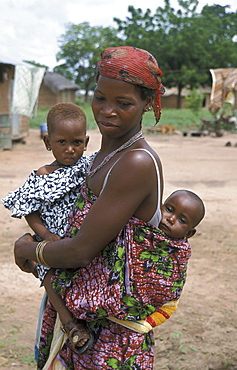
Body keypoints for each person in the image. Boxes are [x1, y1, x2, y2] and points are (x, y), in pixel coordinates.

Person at [14, 46, 192, 370]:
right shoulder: (98, 157)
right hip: (82, 321)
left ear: (147, 105)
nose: (107, 111)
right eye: (99, 98)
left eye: (123, 104)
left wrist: (29, 249)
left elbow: (80, 251)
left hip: (109, 335)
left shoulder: (135, 162)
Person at [2, 102, 93, 351]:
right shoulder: (42, 175)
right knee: (50, 277)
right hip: (51, 239)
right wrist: (45, 234)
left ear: (86, 142)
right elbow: (29, 209)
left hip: (81, 240)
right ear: (47, 142)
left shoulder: (89, 168)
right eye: (61, 142)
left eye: (77, 142)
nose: (70, 149)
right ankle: (70, 324)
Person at [109, 189, 205, 333]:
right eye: (169, 209)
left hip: (134, 327)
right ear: (159, 206)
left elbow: (170, 299)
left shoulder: (179, 255)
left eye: (182, 220)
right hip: (102, 309)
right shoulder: (139, 226)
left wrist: (146, 324)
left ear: (189, 233)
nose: (171, 218)